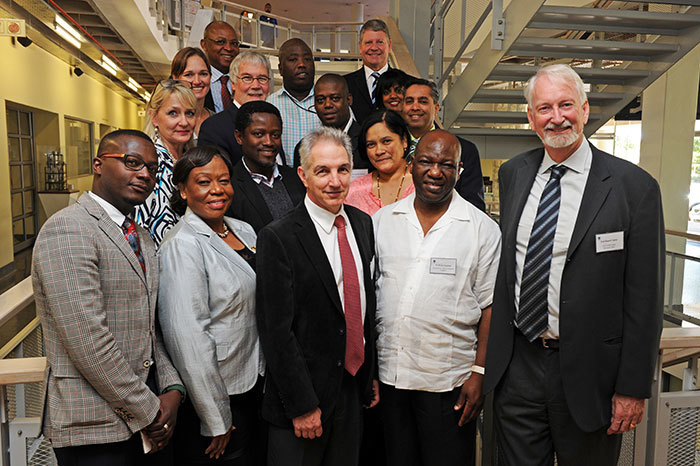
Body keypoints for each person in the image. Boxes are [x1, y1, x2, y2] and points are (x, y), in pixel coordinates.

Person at [483, 64, 665, 466]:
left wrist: (632, 388)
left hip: (590, 375)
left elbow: (645, 299)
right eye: (544, 108)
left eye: (566, 104)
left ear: (585, 108)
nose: (557, 117)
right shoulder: (515, 174)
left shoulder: (634, 188)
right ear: (531, 118)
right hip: (518, 365)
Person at [32, 129, 184, 465]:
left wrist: (173, 389)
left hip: (146, 416)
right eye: (132, 163)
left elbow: (148, 325)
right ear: (99, 164)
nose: (144, 174)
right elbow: (88, 341)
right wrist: (147, 408)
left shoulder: (139, 235)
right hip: (93, 425)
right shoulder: (69, 229)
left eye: (152, 168)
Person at [373, 130, 500, 466]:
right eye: (427, 162)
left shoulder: (481, 229)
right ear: (411, 164)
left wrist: (479, 373)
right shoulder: (382, 221)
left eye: (447, 165)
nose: (435, 172)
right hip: (390, 377)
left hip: (450, 382)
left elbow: (490, 306)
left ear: (459, 172)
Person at [256, 127, 379, 466]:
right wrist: (302, 406)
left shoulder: (362, 223)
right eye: (322, 171)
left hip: (352, 389)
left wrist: (370, 377)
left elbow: (365, 307)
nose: (335, 181)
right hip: (303, 399)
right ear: (303, 175)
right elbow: (276, 333)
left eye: (342, 169)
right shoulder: (279, 237)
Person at [158, 146, 264, 466]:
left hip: (255, 381)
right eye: (203, 182)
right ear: (183, 190)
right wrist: (215, 417)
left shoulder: (243, 230)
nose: (217, 189)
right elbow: (188, 337)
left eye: (224, 180)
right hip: (218, 392)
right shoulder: (182, 245)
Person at [402, 79, 485, 212]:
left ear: (436, 108)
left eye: (423, 101)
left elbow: (473, 203)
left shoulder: (463, 149)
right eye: (409, 101)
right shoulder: (390, 147)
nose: (415, 107)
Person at [229, 101, 305, 233]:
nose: (268, 142)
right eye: (259, 134)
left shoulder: (297, 178)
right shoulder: (230, 186)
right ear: (239, 137)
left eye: (275, 135)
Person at [136, 79, 196, 246]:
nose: (184, 122)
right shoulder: (148, 165)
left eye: (189, 113)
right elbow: (139, 227)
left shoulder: (191, 160)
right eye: (173, 113)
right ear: (154, 117)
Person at [199, 52, 274, 167]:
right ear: (233, 83)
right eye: (247, 78)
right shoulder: (213, 128)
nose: (256, 85)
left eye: (262, 78)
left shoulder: (273, 124)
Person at [345, 109, 414, 215]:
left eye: (386, 141)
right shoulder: (354, 191)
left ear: (404, 141)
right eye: (371, 145)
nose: (379, 151)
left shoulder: (421, 185)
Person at [294, 74, 367, 170]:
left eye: (335, 98)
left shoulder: (367, 140)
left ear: (349, 100)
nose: (327, 104)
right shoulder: (304, 147)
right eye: (320, 100)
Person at [267, 38, 322, 164]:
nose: (301, 64)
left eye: (307, 59)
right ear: (280, 69)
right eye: (293, 60)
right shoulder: (271, 104)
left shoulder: (329, 102)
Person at [344, 19, 393, 125]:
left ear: (389, 46)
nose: (374, 48)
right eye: (368, 42)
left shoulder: (405, 83)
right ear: (360, 47)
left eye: (380, 42)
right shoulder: (344, 84)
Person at [170, 47, 212, 140]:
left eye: (203, 74)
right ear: (175, 78)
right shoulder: (169, 120)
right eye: (189, 75)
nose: (197, 81)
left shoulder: (218, 120)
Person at [200, 21, 240, 114]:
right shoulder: (195, 81)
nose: (229, 48)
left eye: (234, 43)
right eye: (221, 42)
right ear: (204, 44)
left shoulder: (244, 81)